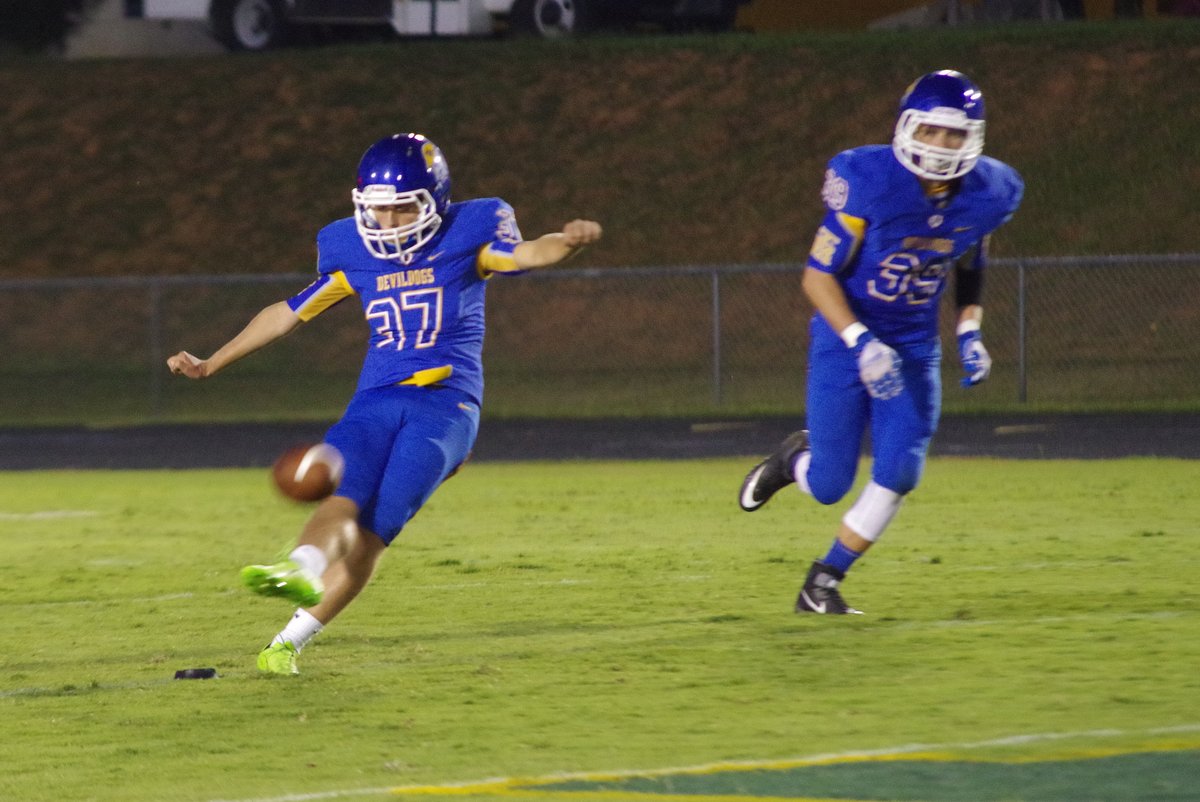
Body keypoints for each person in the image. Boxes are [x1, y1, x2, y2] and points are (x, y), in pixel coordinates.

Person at [168, 133, 602, 674]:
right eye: (379, 209)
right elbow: (286, 313)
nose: (390, 222)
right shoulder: (353, 250)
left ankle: (288, 641)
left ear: (434, 201)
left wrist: (568, 242)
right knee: (341, 494)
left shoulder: (469, 233)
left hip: (445, 406)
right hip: (374, 400)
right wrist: (211, 362)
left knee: (372, 534)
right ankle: (299, 566)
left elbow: (529, 253)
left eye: (403, 209)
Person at [738, 70, 1023, 615]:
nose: (941, 144)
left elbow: (970, 263)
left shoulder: (991, 192)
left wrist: (969, 330)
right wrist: (861, 342)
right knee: (829, 484)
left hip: (914, 344)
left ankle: (821, 583)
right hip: (845, 334)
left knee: (899, 471)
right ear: (907, 128)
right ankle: (793, 458)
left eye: (954, 134)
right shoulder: (868, 180)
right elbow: (817, 277)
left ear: (974, 138)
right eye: (931, 131)